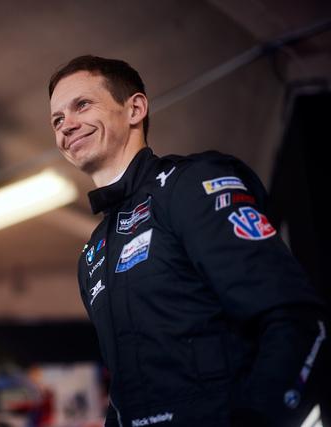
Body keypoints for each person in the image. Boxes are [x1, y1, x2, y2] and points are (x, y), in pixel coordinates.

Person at [48, 55, 328, 427]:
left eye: (82, 105)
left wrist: (257, 418)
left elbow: (297, 319)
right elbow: (126, 393)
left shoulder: (189, 186)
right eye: (57, 119)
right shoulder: (93, 253)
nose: (67, 125)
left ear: (135, 109)